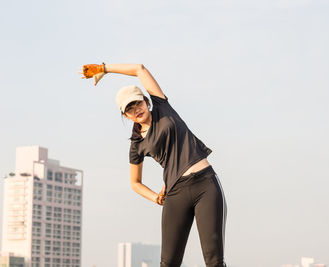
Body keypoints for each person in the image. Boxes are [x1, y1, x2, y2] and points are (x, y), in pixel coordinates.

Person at [80, 63, 228, 267]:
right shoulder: (136, 144)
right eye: (129, 109)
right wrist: (155, 198)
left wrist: (105, 68)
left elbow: (140, 69)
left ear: (146, 101)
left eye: (137, 103)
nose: (136, 110)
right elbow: (135, 183)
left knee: (214, 261)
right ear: (125, 115)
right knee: (167, 264)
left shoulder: (162, 107)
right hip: (176, 194)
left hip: (205, 185)